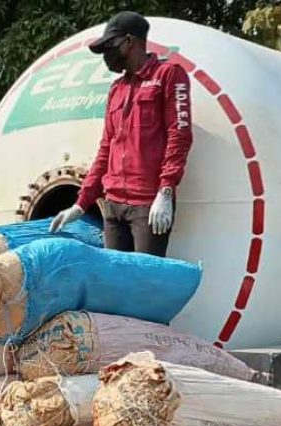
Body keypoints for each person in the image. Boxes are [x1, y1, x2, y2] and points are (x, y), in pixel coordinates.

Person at [49, 11, 193, 257]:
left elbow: (179, 137)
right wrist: (81, 203)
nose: (107, 55)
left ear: (130, 41)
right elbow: (106, 148)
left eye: (110, 47)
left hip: (147, 205)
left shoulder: (168, 76)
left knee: (144, 284)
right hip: (113, 206)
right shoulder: (117, 88)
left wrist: (165, 191)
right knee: (115, 286)